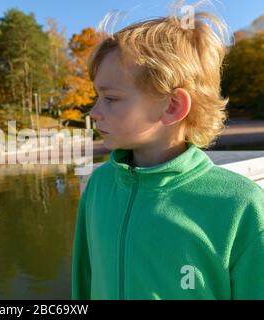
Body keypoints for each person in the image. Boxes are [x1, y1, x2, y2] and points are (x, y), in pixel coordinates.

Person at [71, 1, 264, 300]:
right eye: (97, 96)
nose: (94, 112)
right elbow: (84, 281)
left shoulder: (240, 205)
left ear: (173, 106)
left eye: (110, 98)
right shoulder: (99, 186)